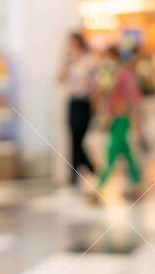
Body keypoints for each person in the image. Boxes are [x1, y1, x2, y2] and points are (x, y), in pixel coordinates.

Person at [96, 47, 143, 192]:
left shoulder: (124, 75)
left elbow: (131, 100)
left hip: (121, 118)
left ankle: (100, 185)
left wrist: (136, 120)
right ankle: (137, 181)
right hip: (117, 118)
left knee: (112, 151)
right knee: (126, 152)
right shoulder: (117, 75)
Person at [58, 32, 97, 186]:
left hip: (85, 102)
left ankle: (89, 167)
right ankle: (76, 171)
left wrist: (95, 104)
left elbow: (94, 86)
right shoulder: (70, 62)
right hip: (73, 101)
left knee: (80, 137)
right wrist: (65, 61)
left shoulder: (89, 61)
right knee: (73, 136)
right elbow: (59, 79)